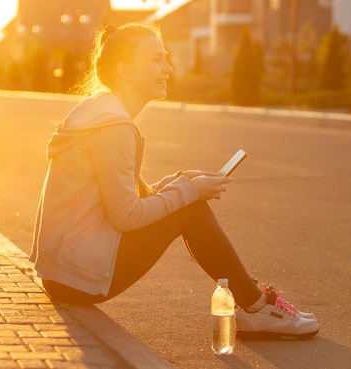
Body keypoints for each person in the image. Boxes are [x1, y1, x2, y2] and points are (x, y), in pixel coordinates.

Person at [29, 22, 319, 340]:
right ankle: (256, 306)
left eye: (166, 58)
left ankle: (253, 303)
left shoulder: (100, 113)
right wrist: (188, 191)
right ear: (126, 71)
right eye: (156, 59)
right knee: (189, 211)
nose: (168, 67)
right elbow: (126, 216)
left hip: (64, 270)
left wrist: (180, 181)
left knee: (186, 198)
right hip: (78, 277)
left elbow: (124, 197)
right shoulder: (113, 128)